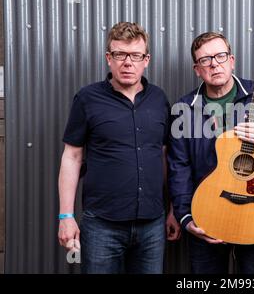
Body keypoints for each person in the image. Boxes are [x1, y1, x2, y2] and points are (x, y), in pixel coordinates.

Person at [168, 32, 254, 273]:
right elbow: (179, 167)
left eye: (220, 56)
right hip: (206, 216)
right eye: (205, 60)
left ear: (232, 60)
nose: (214, 64)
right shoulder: (184, 109)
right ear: (197, 69)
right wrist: (185, 218)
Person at [57, 22, 180, 274]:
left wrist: (172, 210)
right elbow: (72, 156)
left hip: (152, 226)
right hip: (102, 226)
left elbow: (165, 155)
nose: (127, 62)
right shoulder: (87, 98)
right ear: (108, 58)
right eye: (120, 54)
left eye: (135, 55)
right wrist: (65, 217)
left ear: (146, 60)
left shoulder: (159, 99)